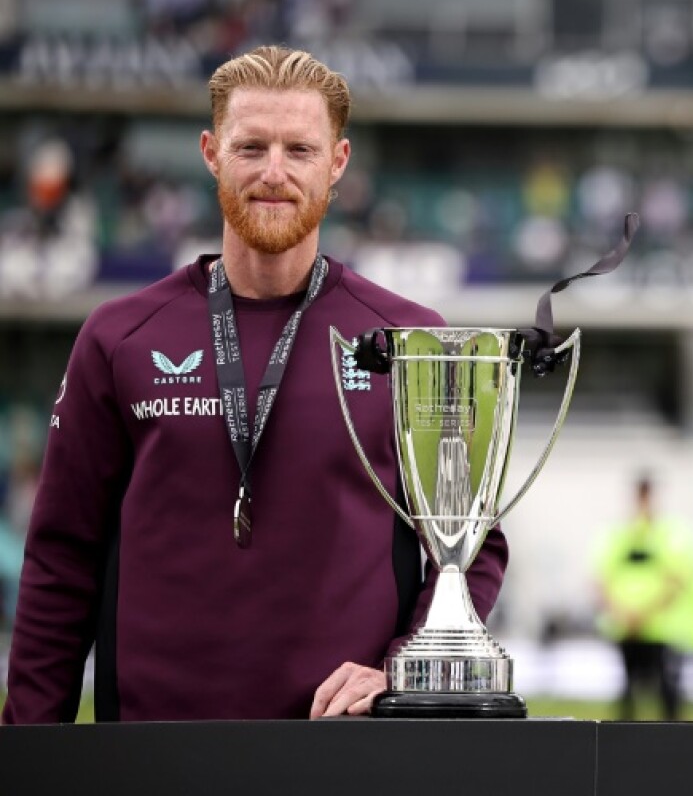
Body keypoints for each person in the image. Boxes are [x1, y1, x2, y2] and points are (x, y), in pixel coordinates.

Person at [1, 45, 508, 723]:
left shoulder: (407, 339)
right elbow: (60, 562)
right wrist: (30, 752)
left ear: (338, 163)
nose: (274, 172)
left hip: (344, 752)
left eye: (299, 149)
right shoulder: (119, 336)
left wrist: (402, 667)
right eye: (252, 147)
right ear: (211, 154)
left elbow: (471, 548)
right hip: (150, 757)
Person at [593, 475, 693, 721]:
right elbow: (601, 579)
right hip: (626, 627)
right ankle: (624, 746)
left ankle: (670, 742)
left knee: (667, 690)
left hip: (660, 628)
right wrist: (621, 613)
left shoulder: (669, 533)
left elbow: (678, 580)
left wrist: (643, 614)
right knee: (628, 691)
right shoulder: (619, 533)